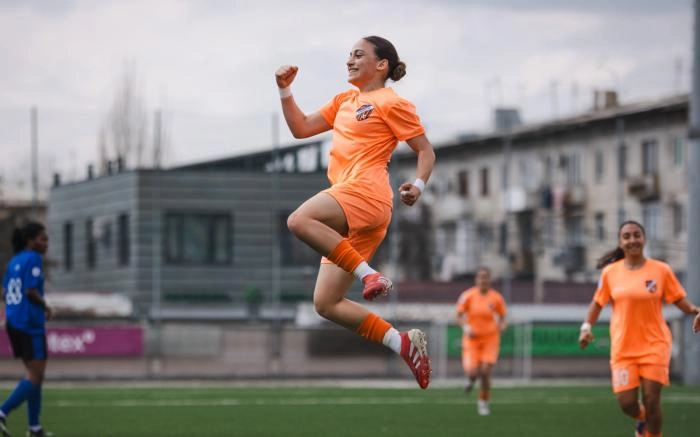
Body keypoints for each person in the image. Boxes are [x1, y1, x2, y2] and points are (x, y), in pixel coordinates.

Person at [275, 36, 435, 389]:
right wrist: (285, 91)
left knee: (299, 219)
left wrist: (418, 185)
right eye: (349, 54)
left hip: (366, 195)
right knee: (326, 304)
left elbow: (425, 151)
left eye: (358, 54)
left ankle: (370, 276)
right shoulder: (344, 101)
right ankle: (401, 342)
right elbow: (301, 128)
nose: (349, 60)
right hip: (352, 209)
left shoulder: (391, 102)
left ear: (381, 65)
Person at [578, 220, 699, 437]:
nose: (632, 240)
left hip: (655, 345)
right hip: (624, 348)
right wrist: (586, 328)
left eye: (637, 235)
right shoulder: (610, 273)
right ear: (620, 242)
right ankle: (642, 419)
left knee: (652, 400)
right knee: (627, 404)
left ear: (644, 239)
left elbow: (679, 300)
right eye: (627, 236)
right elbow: (597, 303)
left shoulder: (661, 270)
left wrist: (695, 310)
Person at [0, 222, 53, 437]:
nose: (46, 243)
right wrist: (45, 306)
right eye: (42, 239)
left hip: (13, 321)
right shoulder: (33, 258)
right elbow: (30, 291)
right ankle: (2, 411)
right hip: (29, 324)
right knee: (35, 375)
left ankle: (34, 428)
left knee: (35, 376)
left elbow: (5, 293)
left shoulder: (14, 261)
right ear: (30, 241)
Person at [455, 267, 507, 415]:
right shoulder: (468, 296)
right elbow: (458, 315)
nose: (483, 280)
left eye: (486, 277)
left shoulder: (496, 298)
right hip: (472, 340)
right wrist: (466, 327)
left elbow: (503, 318)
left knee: (485, 371)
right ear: (476, 279)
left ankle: (483, 402)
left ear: (490, 279)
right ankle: (471, 380)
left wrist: (502, 326)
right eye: (481, 277)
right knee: (472, 372)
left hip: (490, 339)